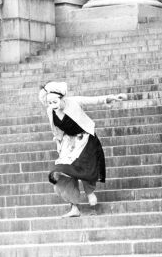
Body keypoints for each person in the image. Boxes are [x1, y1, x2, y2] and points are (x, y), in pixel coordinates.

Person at [39, 81, 126, 217]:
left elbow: (93, 100)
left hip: (85, 138)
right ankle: (74, 207)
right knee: (62, 171)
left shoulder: (73, 102)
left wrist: (111, 97)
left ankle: (89, 192)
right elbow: (56, 130)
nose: (52, 106)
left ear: (61, 98)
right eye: (49, 103)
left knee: (83, 165)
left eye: (54, 102)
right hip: (68, 142)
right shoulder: (50, 111)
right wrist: (59, 143)